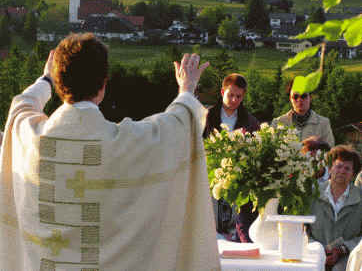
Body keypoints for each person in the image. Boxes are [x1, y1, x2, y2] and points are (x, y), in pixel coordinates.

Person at [0, 33, 221, 271]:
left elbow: (22, 106)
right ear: (104, 84)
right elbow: (176, 125)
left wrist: (45, 81)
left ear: (59, 79)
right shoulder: (127, 143)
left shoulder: (31, 139)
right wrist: (186, 89)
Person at [203, 73, 260, 242]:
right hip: (209, 181)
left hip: (237, 183)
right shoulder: (205, 117)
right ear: (222, 92)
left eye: (238, 96)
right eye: (230, 95)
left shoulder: (251, 122)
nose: (234, 99)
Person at [308, 145, 362, 271]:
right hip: (312, 256)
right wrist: (319, 251)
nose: (342, 171)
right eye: (338, 166)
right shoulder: (312, 194)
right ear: (330, 168)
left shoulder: (360, 197)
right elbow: (302, 230)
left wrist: (342, 250)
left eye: (347, 168)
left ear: (353, 174)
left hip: (348, 259)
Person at [271, 79, 335, 147]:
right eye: (295, 97)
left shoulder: (323, 123)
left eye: (303, 96)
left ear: (310, 97)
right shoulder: (278, 123)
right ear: (290, 99)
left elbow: (330, 151)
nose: (299, 100)